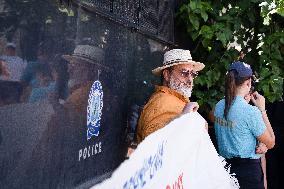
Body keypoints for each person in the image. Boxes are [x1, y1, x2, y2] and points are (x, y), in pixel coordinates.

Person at [214, 61, 275, 189]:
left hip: (224, 170)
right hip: (248, 174)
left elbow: (235, 127)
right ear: (248, 83)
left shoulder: (219, 106)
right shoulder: (250, 112)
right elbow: (271, 142)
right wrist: (262, 110)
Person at [136, 49, 205, 143]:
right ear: (167, 75)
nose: (190, 80)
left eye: (192, 74)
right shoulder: (161, 102)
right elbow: (154, 145)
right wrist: (183, 118)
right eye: (184, 73)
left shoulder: (173, 98)